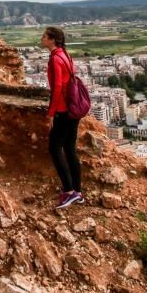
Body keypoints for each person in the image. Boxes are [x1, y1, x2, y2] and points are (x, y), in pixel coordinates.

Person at [41, 26, 85, 209]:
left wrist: (51, 113)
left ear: (52, 40)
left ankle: (68, 192)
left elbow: (57, 87)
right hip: (74, 109)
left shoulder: (54, 59)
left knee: (54, 147)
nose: (42, 39)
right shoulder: (65, 54)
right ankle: (78, 191)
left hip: (63, 110)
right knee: (70, 148)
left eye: (44, 36)